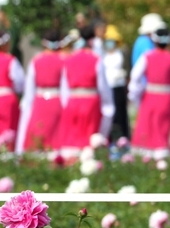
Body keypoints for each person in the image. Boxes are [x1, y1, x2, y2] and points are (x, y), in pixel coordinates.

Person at [128, 27, 170, 159]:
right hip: (166, 98)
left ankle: (143, 159)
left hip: (149, 97)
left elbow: (135, 76)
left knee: (145, 128)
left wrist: (136, 95)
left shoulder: (147, 57)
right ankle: (161, 158)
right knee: (162, 130)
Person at [59, 26, 113, 157]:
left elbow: (64, 89)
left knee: (72, 143)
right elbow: (104, 89)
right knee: (89, 144)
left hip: (72, 103)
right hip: (91, 104)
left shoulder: (69, 60)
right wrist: (108, 113)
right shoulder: (96, 60)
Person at [16, 29, 64, 155]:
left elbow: (29, 89)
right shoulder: (63, 60)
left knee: (38, 135)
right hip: (57, 100)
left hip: (40, 101)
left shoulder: (36, 61)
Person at [103, 25, 130, 141]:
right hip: (108, 87)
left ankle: (124, 137)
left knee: (121, 114)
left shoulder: (121, 53)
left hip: (118, 86)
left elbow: (126, 69)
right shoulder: (104, 55)